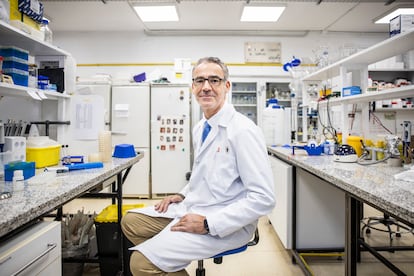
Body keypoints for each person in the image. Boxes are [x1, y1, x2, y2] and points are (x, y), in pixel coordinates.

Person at [121, 57, 275, 276]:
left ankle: (161, 258)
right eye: (200, 81)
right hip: (197, 205)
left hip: (225, 221)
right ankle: (170, 259)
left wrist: (209, 224)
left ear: (227, 86)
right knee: (131, 223)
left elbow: (264, 199)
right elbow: (206, 174)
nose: (206, 87)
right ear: (192, 87)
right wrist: (182, 195)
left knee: (140, 263)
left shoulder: (243, 131)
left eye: (214, 80)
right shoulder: (201, 127)